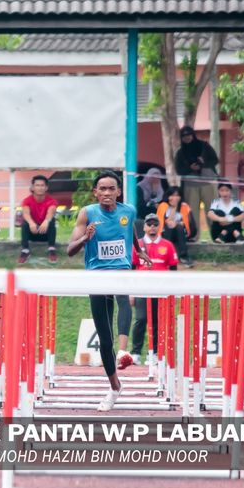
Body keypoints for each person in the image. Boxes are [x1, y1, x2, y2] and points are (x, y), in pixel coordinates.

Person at [67, 171, 152, 411]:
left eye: (111, 189)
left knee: (124, 300)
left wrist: (139, 249)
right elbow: (69, 250)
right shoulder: (88, 213)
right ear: (95, 192)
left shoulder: (129, 211)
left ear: (118, 191)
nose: (106, 193)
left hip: (121, 270)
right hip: (96, 274)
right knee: (105, 337)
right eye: (102, 189)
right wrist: (85, 238)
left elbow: (129, 231)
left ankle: (123, 350)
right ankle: (115, 387)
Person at [129, 214, 179, 366]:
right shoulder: (137, 245)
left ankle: (156, 353)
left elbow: (173, 270)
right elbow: (131, 268)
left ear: (159, 227)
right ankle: (136, 352)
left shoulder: (168, 245)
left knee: (158, 321)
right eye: (149, 224)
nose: (152, 227)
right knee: (141, 319)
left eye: (155, 224)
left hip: (161, 289)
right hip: (141, 288)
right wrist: (130, 292)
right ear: (143, 227)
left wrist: (174, 291)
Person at [175, 125, 219, 241]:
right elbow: (179, 170)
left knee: (211, 210)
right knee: (192, 212)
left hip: (207, 182)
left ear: (193, 135)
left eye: (188, 135)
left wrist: (203, 164)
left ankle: (217, 236)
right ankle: (194, 236)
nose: (187, 138)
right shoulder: (180, 152)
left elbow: (215, 160)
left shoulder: (204, 146)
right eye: (184, 136)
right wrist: (190, 168)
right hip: (190, 185)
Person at [19, 174, 59, 264]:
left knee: (51, 221)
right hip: (32, 232)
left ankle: (51, 249)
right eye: (37, 185)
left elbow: (51, 212)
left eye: (42, 185)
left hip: (45, 233)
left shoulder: (51, 201)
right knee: (25, 222)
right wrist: (31, 223)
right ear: (33, 187)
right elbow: (25, 213)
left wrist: (46, 221)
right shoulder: (27, 200)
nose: (40, 188)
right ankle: (25, 250)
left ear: (46, 188)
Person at [155, 186, 194, 267]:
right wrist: (174, 207)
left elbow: (189, 223)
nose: (174, 198)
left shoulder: (184, 206)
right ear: (168, 196)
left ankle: (183, 256)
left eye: (177, 195)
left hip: (181, 234)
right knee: (170, 227)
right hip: (166, 234)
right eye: (172, 195)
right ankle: (166, 255)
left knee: (179, 227)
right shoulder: (163, 206)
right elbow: (165, 223)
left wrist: (179, 223)